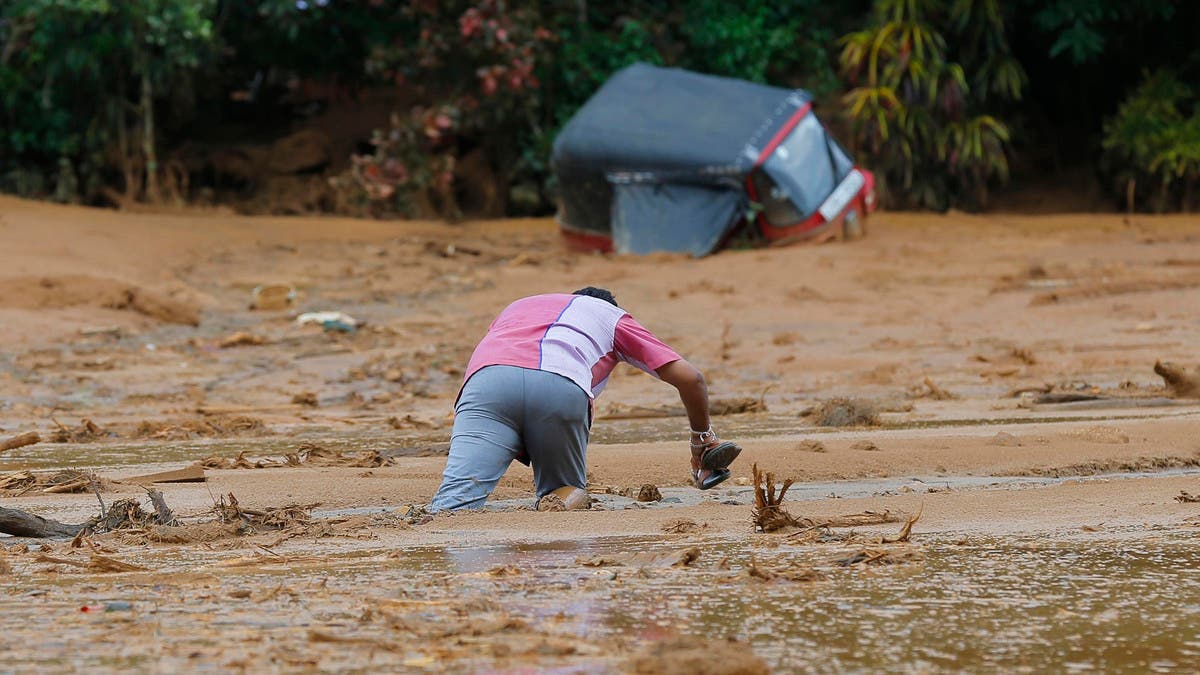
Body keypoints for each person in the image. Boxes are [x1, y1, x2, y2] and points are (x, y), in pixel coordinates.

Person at [429, 287, 741, 512]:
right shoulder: (612, 316)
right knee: (562, 495)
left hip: (485, 383)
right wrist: (701, 439)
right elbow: (691, 378)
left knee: (453, 504)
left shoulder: (520, 304)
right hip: (559, 384)